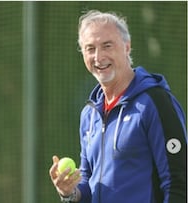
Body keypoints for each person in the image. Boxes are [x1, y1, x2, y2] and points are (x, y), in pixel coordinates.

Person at [49, 10, 187, 203]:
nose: (98, 57)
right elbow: (88, 183)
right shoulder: (89, 115)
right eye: (90, 48)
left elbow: (179, 184)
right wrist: (69, 192)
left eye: (107, 46)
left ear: (127, 47)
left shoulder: (155, 102)